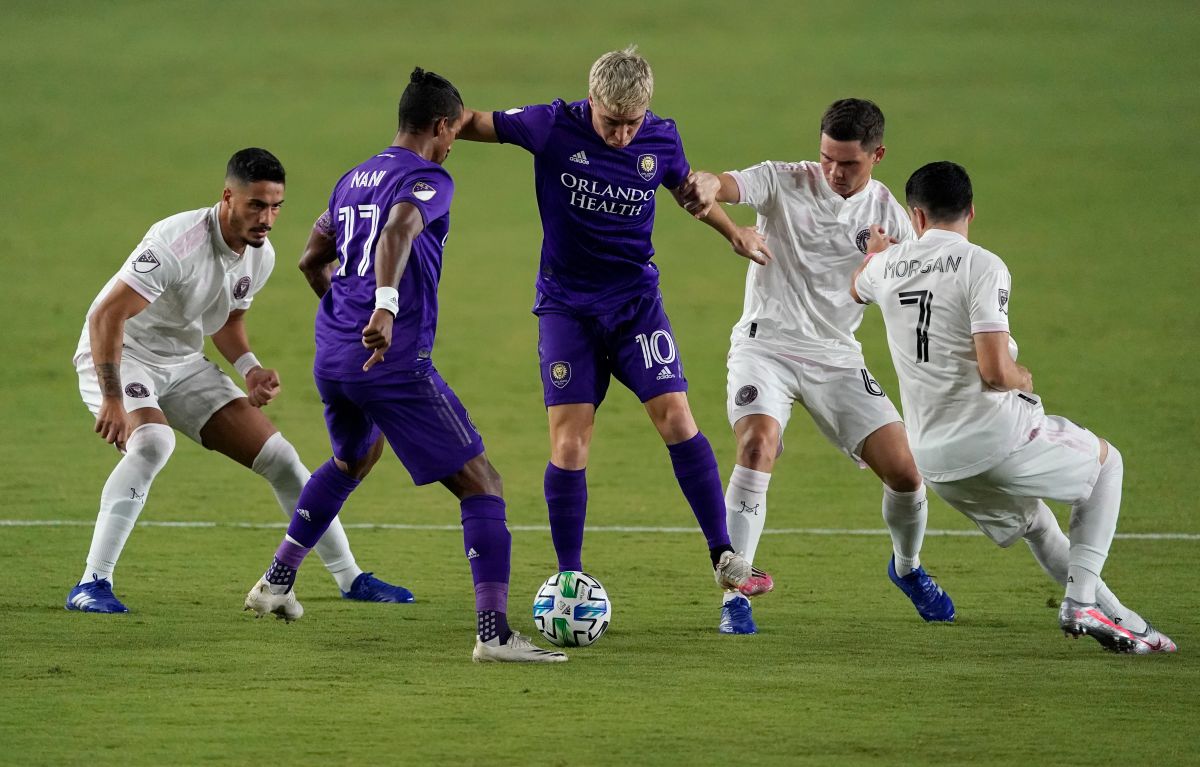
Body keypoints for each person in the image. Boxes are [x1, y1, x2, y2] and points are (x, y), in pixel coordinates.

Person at [242, 69, 566, 663]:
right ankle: (493, 635)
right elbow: (399, 228)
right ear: (441, 126)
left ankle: (276, 583)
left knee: (353, 458)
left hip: (334, 356)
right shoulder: (427, 178)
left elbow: (312, 258)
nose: (453, 145)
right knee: (482, 484)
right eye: (454, 132)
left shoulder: (351, 179)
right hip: (391, 362)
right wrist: (384, 310)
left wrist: (348, 312)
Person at [454, 46, 773, 598]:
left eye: (632, 124)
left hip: (634, 306)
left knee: (676, 416)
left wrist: (734, 231)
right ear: (591, 98)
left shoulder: (661, 138)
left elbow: (685, 190)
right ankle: (570, 576)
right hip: (566, 309)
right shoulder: (551, 124)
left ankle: (724, 555)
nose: (622, 136)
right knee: (571, 443)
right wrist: (422, 135)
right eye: (610, 122)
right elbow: (472, 123)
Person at [67, 149, 413, 614]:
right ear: (227, 197)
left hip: (182, 363)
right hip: (119, 353)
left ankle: (350, 577)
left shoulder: (259, 255)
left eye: (275, 207)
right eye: (256, 205)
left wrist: (249, 368)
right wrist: (112, 397)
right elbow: (108, 314)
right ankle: (92, 584)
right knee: (152, 443)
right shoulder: (176, 240)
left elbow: (226, 320)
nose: (267, 218)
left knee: (284, 460)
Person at [851, 161, 1175, 654]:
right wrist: (1023, 377)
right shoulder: (984, 265)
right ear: (971, 211)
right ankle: (1081, 601)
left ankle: (1129, 623)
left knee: (1039, 525)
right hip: (997, 438)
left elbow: (858, 283)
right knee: (1108, 466)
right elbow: (996, 371)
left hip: (936, 462)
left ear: (915, 217)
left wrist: (880, 253)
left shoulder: (883, 268)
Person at [680, 99, 954, 634]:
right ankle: (736, 595)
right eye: (827, 157)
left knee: (905, 474)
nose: (833, 171)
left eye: (848, 163)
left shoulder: (893, 219)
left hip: (837, 358)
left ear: (878, 156)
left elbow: (919, 298)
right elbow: (729, 183)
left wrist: (884, 263)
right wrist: (709, 186)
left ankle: (908, 568)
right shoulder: (785, 180)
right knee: (757, 443)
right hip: (766, 347)